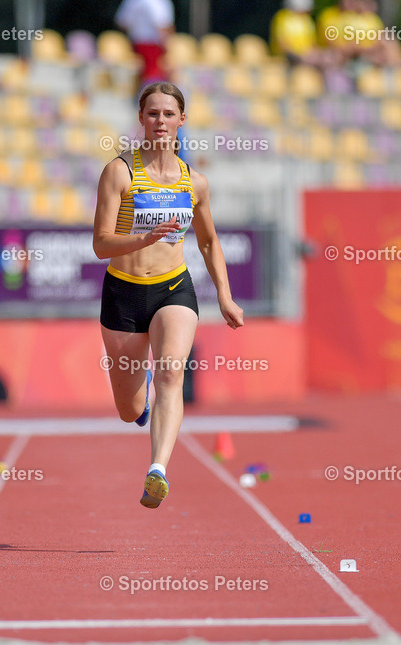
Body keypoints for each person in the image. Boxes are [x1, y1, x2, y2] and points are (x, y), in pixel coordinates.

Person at [94, 82, 243, 509]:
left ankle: (158, 468)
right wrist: (143, 238)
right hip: (123, 294)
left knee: (172, 374)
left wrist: (225, 297)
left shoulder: (194, 181)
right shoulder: (119, 172)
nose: (161, 122)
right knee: (129, 410)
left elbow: (210, 242)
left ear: (182, 120)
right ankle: (138, 401)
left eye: (168, 114)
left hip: (173, 288)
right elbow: (101, 244)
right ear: (141, 119)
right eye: (153, 114)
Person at [115, 0, 175, 87]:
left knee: (151, 74)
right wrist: (167, 44)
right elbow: (162, 25)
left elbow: (123, 22)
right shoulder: (156, 2)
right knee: (152, 74)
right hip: (151, 44)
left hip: (138, 43)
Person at [270, 0, 329, 69]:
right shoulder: (282, 17)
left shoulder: (307, 20)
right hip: (287, 57)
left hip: (306, 56)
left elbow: (313, 44)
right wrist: (301, 55)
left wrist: (317, 55)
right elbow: (282, 44)